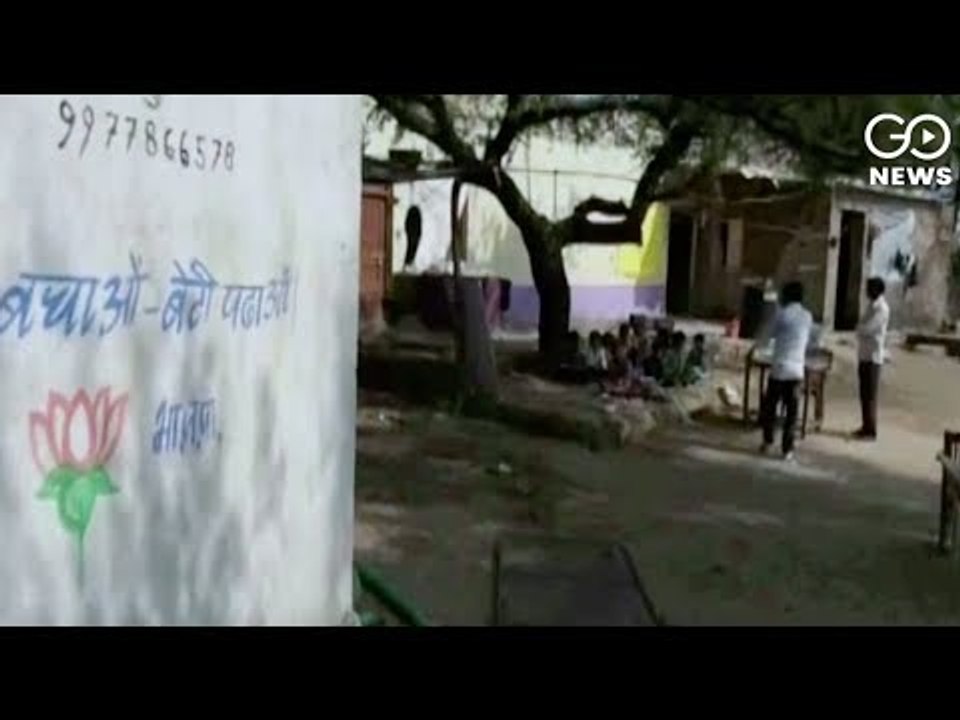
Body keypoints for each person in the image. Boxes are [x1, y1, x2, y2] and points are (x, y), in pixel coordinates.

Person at [759, 281, 813, 461]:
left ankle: (768, 441)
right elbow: (810, 339)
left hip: (779, 369)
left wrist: (762, 347)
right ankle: (787, 449)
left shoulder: (781, 315)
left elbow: (765, 338)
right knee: (792, 412)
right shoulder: (807, 316)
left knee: (770, 407)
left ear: (786, 296)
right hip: (796, 371)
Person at [854, 277, 890, 441]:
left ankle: (871, 430)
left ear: (876, 290)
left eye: (869, 288)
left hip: (874, 357)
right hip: (864, 354)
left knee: (870, 395)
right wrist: (860, 328)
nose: (866, 291)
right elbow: (860, 327)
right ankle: (865, 426)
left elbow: (867, 329)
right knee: (864, 393)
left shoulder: (882, 308)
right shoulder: (871, 306)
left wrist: (860, 329)